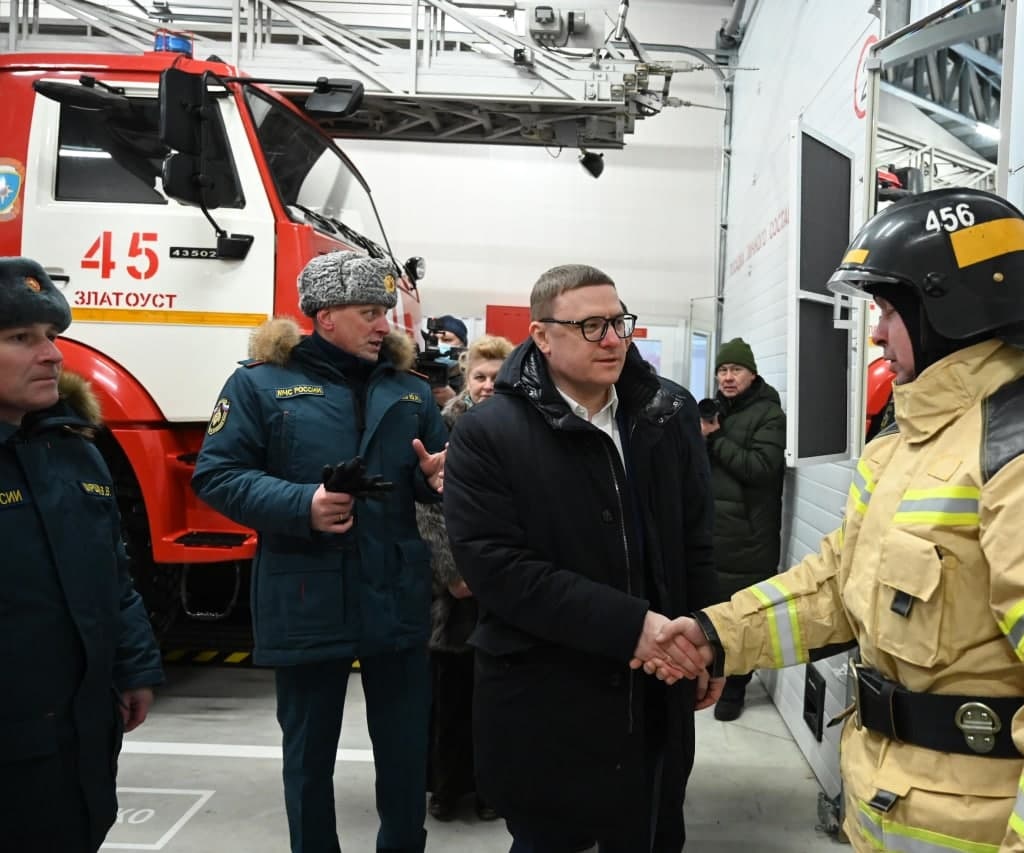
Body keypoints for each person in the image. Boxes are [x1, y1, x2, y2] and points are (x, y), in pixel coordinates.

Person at [644, 189, 1024, 852]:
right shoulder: (908, 445)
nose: (878, 332)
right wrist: (716, 633)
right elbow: (837, 584)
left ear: (949, 306)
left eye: (887, 309)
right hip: (890, 807)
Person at [442, 263, 720, 853]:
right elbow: (497, 569)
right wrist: (633, 629)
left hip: (655, 697)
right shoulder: (489, 432)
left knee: (652, 831)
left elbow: (695, 539)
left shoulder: (666, 415)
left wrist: (712, 642)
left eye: (619, 321)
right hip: (544, 702)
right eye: (592, 326)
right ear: (542, 335)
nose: (615, 339)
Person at [192, 251, 448, 853]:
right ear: (324, 316)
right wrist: (301, 503)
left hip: (395, 595)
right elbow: (217, 475)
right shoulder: (258, 384)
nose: (384, 324)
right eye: (369, 312)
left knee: (408, 751)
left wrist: (437, 479)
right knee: (308, 757)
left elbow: (429, 470)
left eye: (385, 310)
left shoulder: (410, 392)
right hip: (306, 593)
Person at [0, 256, 164, 852]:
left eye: (51, 337)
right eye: (21, 338)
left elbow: (112, 575)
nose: (51, 354)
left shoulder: (74, 451)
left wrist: (135, 665)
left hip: (79, 743)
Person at [416, 334, 514, 823]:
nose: (488, 385)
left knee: (497, 701)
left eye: (498, 377)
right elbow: (429, 508)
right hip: (453, 598)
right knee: (450, 698)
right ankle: (446, 787)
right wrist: (454, 573)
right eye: (480, 376)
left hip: (502, 588)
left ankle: (492, 788)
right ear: (466, 377)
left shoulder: (521, 428)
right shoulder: (441, 427)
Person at [699, 337, 786, 721]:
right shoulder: (715, 411)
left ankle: (736, 686)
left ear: (752, 374)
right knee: (711, 611)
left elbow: (761, 468)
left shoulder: (770, 415)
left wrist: (715, 438)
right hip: (713, 530)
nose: (727, 377)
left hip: (749, 535)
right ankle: (710, 676)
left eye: (735, 370)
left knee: (745, 616)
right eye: (722, 370)